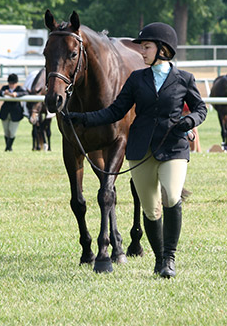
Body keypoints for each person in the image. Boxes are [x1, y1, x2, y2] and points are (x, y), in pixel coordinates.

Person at [66, 22, 207, 278]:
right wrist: (82, 118)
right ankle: (158, 259)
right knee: (151, 210)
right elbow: (115, 111)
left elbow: (200, 108)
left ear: (163, 49)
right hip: (141, 149)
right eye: (142, 47)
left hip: (173, 147)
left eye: (146, 47)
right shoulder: (137, 78)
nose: (141, 52)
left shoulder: (184, 79)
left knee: (172, 197)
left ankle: (169, 259)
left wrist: (190, 121)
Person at [0, 73, 27, 151]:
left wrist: (16, 94)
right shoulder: (5, 88)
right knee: (6, 132)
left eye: (13, 83)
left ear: (16, 83)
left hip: (16, 113)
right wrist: (4, 93)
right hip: (5, 112)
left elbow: (25, 93)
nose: (11, 85)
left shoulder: (19, 88)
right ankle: (8, 148)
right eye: (10, 83)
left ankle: (8, 148)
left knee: (12, 131)